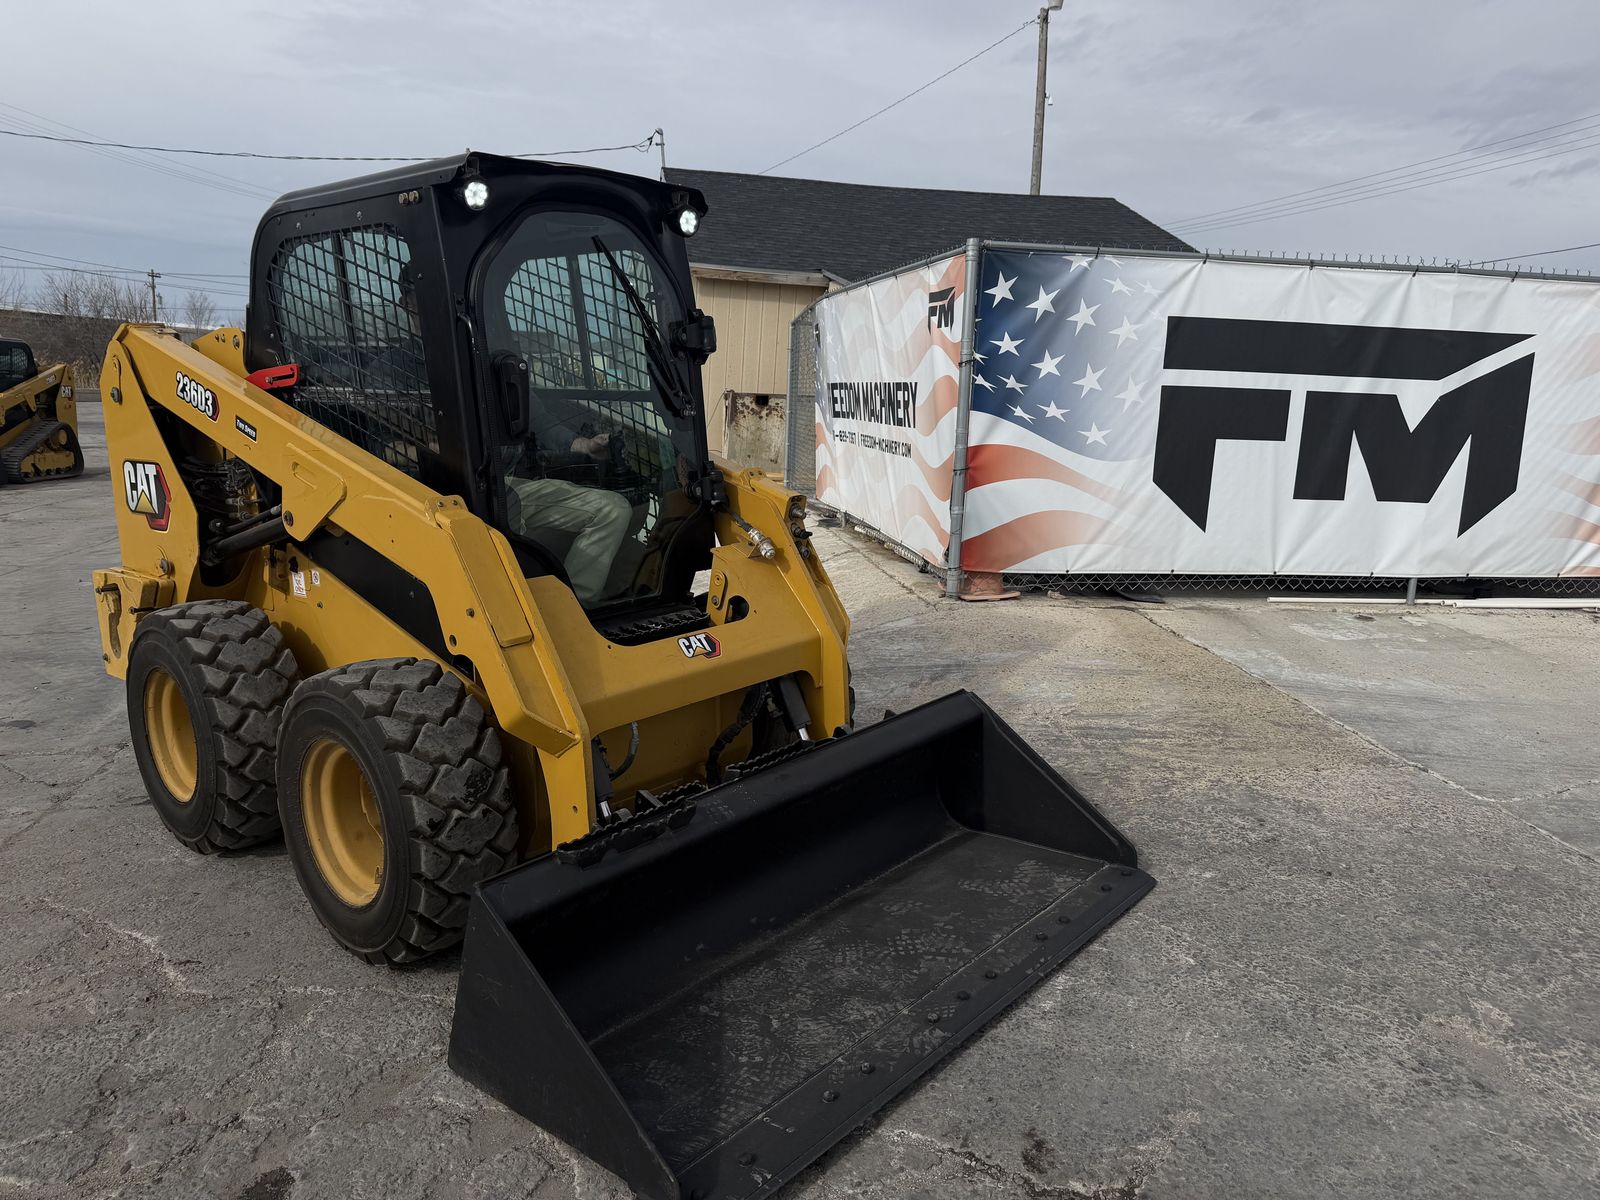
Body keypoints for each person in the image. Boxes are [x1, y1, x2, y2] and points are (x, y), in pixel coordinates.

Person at [503, 403, 633, 606]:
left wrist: (586, 446)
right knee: (504, 522)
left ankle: (573, 605)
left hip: (507, 483)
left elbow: (540, 421)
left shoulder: (507, 378)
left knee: (613, 509)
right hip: (460, 489)